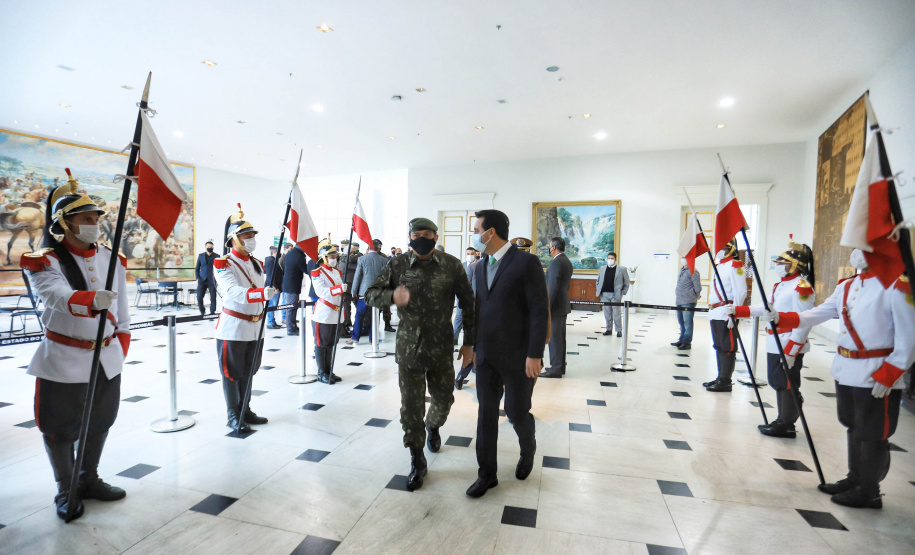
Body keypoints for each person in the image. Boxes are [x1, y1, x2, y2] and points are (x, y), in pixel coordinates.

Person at [20, 170, 130, 520]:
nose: (94, 224)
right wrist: (90, 300)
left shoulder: (113, 260)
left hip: (106, 357)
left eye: (96, 218)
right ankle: (65, 489)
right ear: (64, 223)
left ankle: (89, 479)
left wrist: (120, 346)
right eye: (86, 219)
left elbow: (123, 310)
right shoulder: (45, 261)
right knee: (60, 427)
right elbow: (55, 295)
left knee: (101, 421)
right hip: (64, 359)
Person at [766, 249, 914, 509]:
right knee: (853, 424)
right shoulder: (847, 286)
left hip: (877, 372)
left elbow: (909, 335)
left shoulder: (897, 286)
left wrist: (892, 372)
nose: (856, 252)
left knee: (872, 432)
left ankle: (870, 491)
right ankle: (855, 478)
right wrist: (782, 318)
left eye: (863, 246)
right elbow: (819, 313)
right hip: (846, 368)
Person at [365, 218, 475, 492]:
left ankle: (433, 426)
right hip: (409, 347)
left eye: (428, 234)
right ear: (410, 237)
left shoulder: (451, 265)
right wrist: (392, 297)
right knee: (410, 408)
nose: (422, 238)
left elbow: (469, 304)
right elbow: (370, 294)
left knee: (444, 400)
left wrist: (470, 343)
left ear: (436, 237)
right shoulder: (397, 264)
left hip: (440, 346)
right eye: (417, 234)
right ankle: (417, 458)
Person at [467, 209, 548, 498]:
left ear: (491, 233)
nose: (474, 235)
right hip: (486, 356)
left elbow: (540, 311)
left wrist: (535, 354)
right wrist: (474, 347)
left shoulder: (526, 262)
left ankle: (528, 448)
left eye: (477, 229)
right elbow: (478, 311)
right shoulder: (478, 267)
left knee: (516, 411)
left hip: (518, 357)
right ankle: (486, 475)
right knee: (486, 415)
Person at [729, 238, 815, 438]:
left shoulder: (801, 287)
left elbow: (804, 322)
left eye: (782, 264)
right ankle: (783, 418)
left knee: (786, 383)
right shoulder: (781, 285)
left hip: (788, 343)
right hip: (775, 340)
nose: (778, 267)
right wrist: (739, 310)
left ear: (795, 265)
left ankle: (787, 424)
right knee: (778, 381)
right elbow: (766, 307)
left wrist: (792, 351)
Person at [213, 205, 275, 432]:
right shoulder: (223, 263)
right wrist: (260, 293)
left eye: (252, 235)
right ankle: (233, 414)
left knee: (249, 370)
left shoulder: (257, 262)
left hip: (255, 327)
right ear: (233, 240)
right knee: (232, 372)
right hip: (234, 327)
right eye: (246, 236)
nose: (251, 239)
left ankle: (245, 409)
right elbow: (232, 292)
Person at [703, 239, 748, 392]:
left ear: (731, 249)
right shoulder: (719, 266)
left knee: (728, 347)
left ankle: (726, 381)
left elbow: (741, 292)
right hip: (716, 311)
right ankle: (720, 377)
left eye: (722, 247)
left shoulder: (735, 265)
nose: (719, 250)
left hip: (726, 311)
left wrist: (735, 313)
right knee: (719, 346)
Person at [311, 239, 346, 384]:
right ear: (324, 257)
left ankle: (329, 370)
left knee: (332, 343)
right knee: (322, 343)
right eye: (331, 257)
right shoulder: (317, 272)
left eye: (335, 257)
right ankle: (321, 373)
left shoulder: (337, 272)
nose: (334, 259)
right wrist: (339, 289)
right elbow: (321, 292)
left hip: (336, 312)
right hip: (324, 313)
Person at [540, 237, 573, 378]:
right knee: (559, 338)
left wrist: (547, 308)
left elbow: (552, 288)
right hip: (562, 304)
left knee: (554, 338)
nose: (549, 249)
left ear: (553, 247)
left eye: (549, 246)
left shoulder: (556, 263)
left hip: (555, 306)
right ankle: (559, 366)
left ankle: (556, 368)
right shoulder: (566, 261)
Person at [349, 239, 389, 344]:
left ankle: (355, 338)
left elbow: (357, 276)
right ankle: (373, 339)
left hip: (364, 292)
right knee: (375, 316)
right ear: (378, 247)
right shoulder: (384, 260)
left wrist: (353, 290)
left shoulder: (362, 259)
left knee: (359, 315)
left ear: (368, 248)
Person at [454, 246, 479, 389]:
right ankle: (461, 376)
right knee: (474, 348)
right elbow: (466, 292)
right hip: (476, 312)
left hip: (497, 317)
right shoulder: (474, 267)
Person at [596, 251, 630, 337]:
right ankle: (608, 329)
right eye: (609, 258)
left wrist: (622, 292)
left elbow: (626, 282)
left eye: (612, 258)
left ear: (615, 259)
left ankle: (619, 330)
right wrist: (599, 289)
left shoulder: (622, 269)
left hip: (616, 294)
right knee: (607, 313)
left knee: (616, 313)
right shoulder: (602, 268)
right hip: (604, 294)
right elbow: (598, 280)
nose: (610, 260)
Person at [672, 258, 702, 349]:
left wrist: (695, 295)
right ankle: (681, 340)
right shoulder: (683, 270)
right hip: (679, 300)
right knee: (681, 322)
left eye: (686, 257)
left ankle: (687, 342)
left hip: (688, 301)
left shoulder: (693, 271)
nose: (683, 259)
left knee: (687, 323)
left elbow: (698, 287)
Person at [281, 244, 308, 336]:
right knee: (291, 308)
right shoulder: (298, 256)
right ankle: (291, 329)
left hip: (289, 284)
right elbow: (306, 269)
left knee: (291, 307)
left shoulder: (291, 253)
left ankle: (292, 327)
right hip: (292, 285)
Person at [339, 241, 361, 336]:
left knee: (347, 308)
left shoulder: (342, 260)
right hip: (351, 286)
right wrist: (359, 255)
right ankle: (349, 326)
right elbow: (357, 267)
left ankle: (347, 324)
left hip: (346, 286)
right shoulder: (349, 261)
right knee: (352, 308)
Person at [195, 241, 218, 315]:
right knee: (199, 296)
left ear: (213, 247)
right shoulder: (201, 256)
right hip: (202, 280)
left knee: (213, 297)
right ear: (205, 247)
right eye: (208, 247)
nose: (210, 248)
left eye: (211, 247)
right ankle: (202, 311)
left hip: (212, 280)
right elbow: (197, 268)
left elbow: (219, 269)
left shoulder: (217, 256)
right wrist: (197, 277)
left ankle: (212, 312)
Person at [264, 245, 284, 329]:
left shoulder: (274, 260)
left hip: (275, 286)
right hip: (272, 287)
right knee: (271, 305)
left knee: (274, 305)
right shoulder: (270, 261)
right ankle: (270, 322)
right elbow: (271, 275)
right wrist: (274, 286)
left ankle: (273, 321)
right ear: (275, 252)